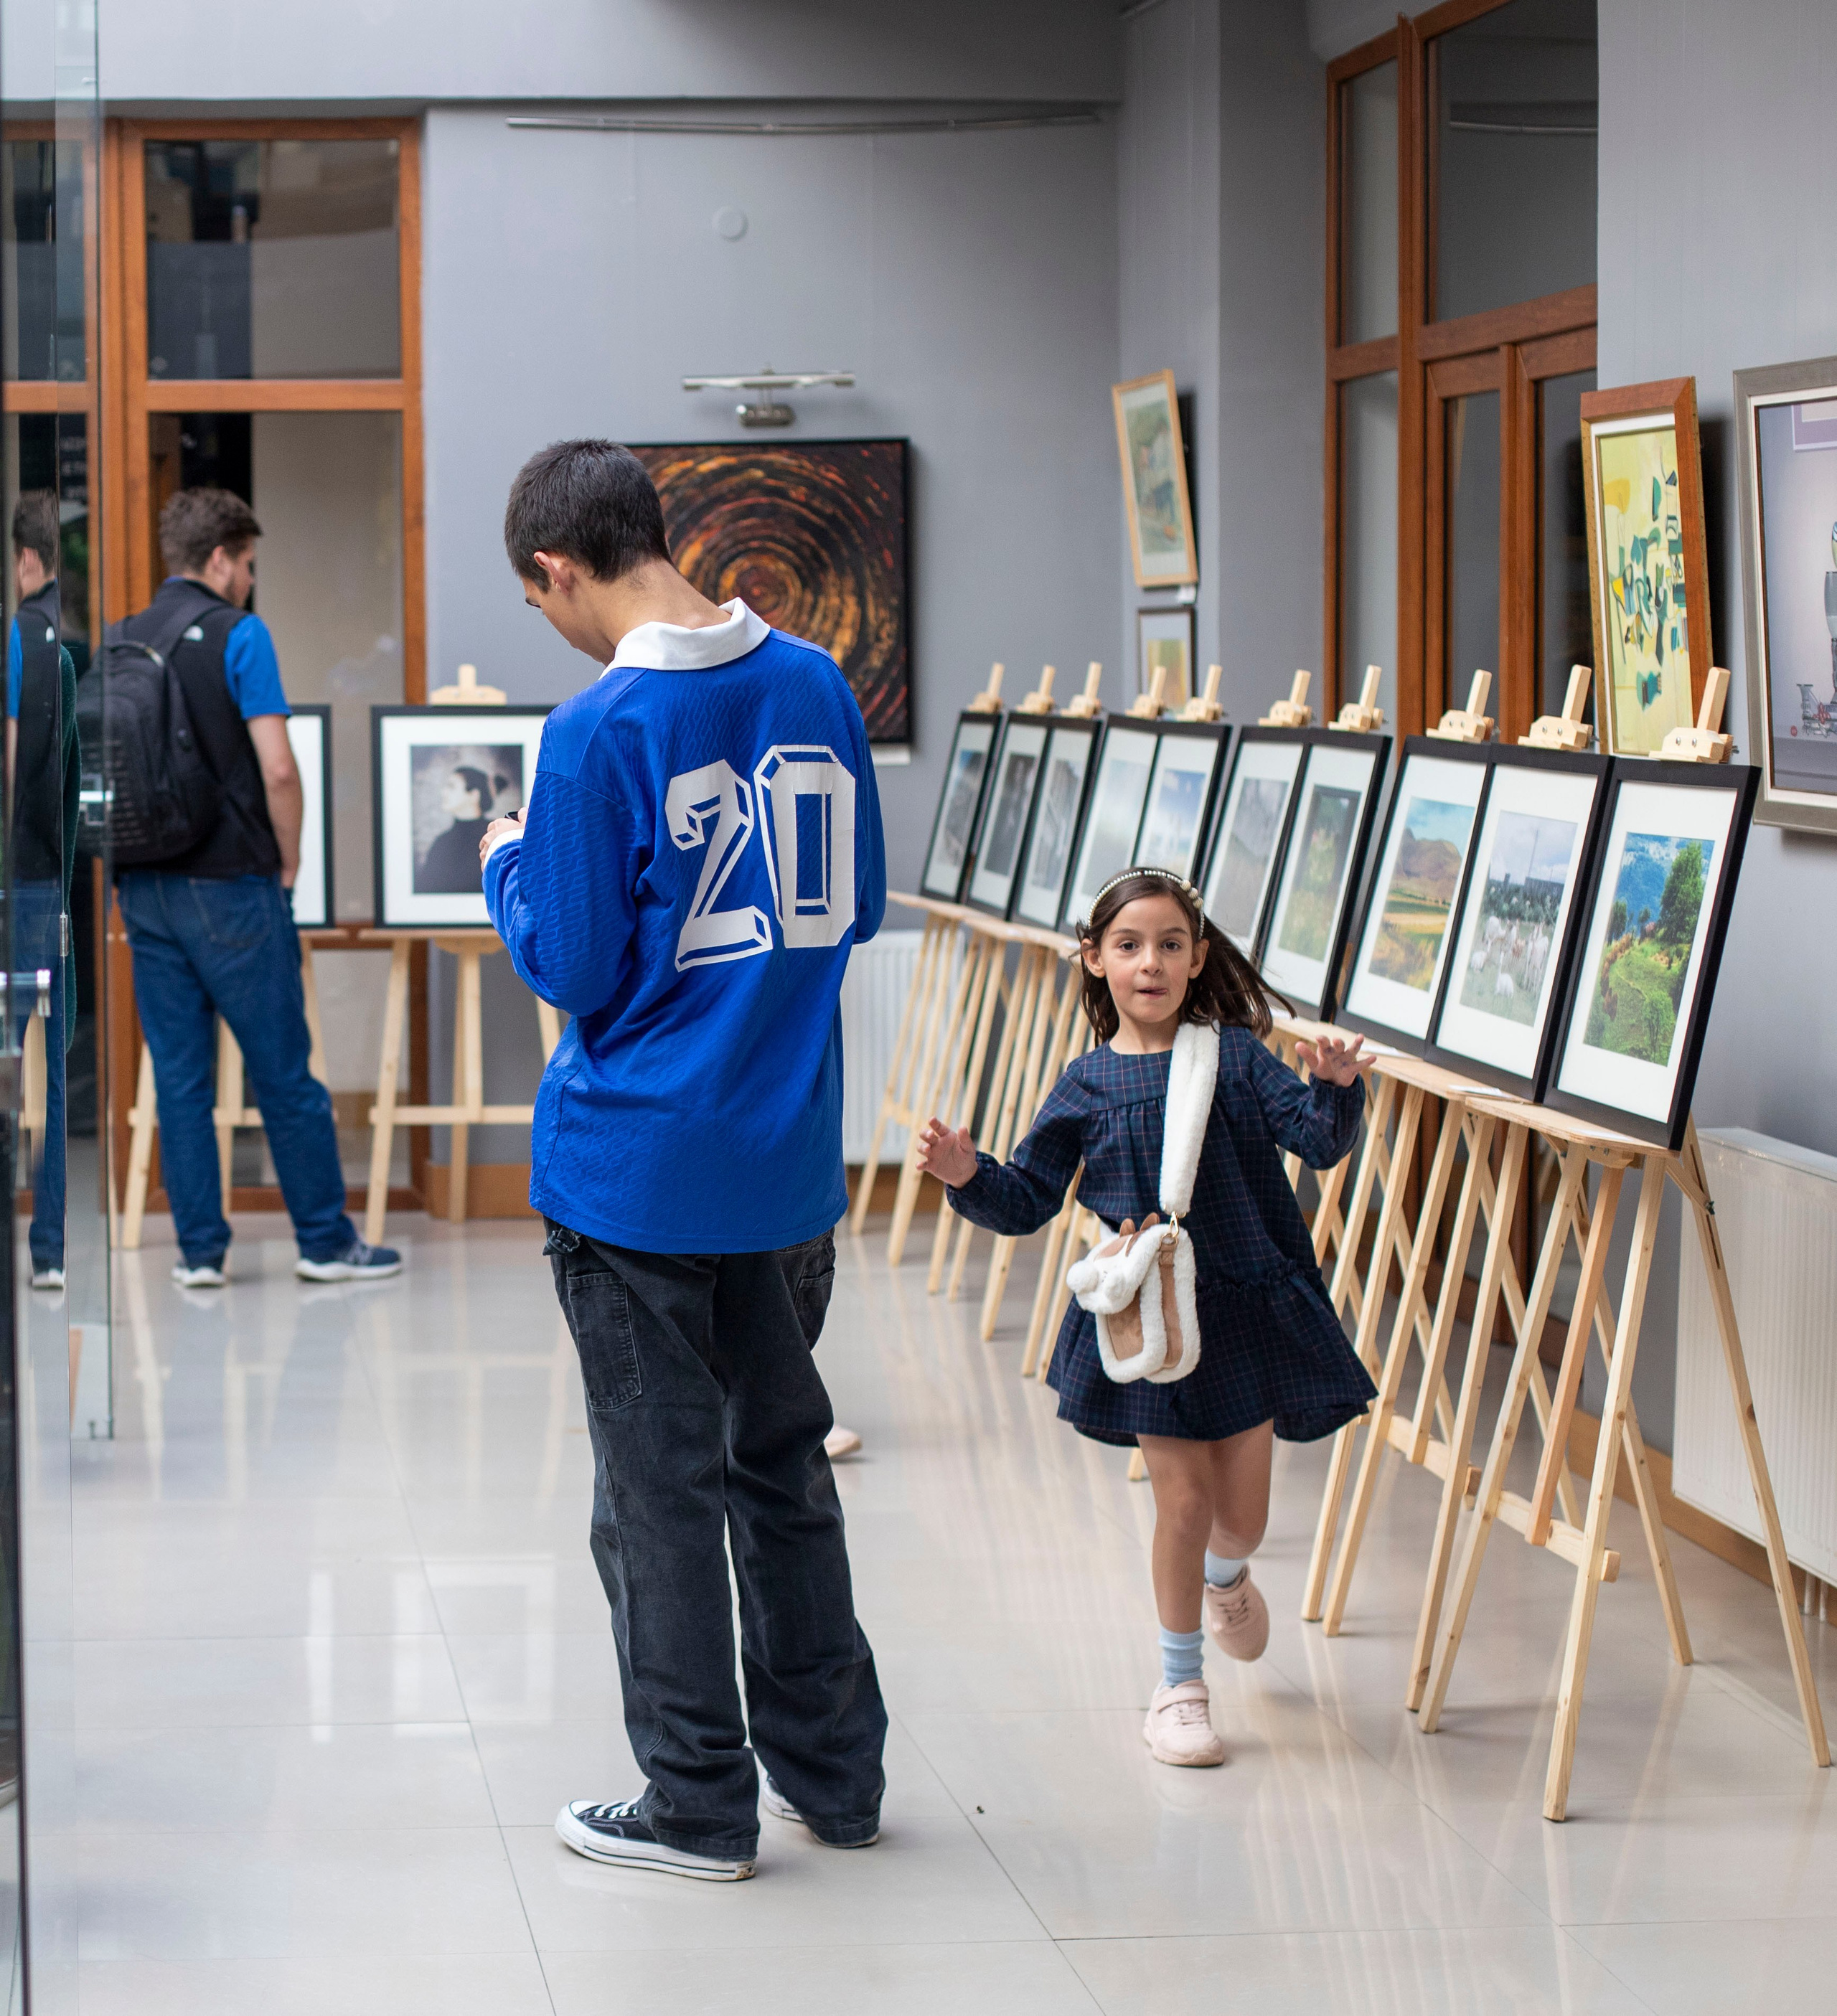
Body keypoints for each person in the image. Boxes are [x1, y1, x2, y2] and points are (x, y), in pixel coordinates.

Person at [481, 439, 887, 1883]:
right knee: (780, 1466)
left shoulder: (595, 731)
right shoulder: (819, 684)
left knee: (654, 1491)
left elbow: (575, 964)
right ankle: (834, 1777)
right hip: (781, 1166)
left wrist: (508, 859)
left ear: (557, 568)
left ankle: (697, 1804)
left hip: (637, 1175)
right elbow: (855, 903)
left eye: (542, 604)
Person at [917, 867, 1376, 1766]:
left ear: (1199, 956)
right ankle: (1178, 1684)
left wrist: (1334, 1088)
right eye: (1127, 946)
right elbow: (1030, 1197)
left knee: (1238, 1517)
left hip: (1238, 1314)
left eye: (1170, 944)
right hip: (1149, 1327)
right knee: (1184, 1499)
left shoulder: (1236, 1057)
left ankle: (1225, 1574)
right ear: (1092, 960)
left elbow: (1318, 1143)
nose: (1150, 962)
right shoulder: (1085, 1083)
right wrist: (968, 1174)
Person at [114, 487, 399, 1286]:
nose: (248, 579)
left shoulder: (121, 639)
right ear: (218, 559)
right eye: (245, 564)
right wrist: (290, 860)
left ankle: (200, 1252)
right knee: (282, 1069)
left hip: (144, 885)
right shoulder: (241, 636)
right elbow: (278, 765)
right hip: (232, 885)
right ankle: (324, 1241)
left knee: (178, 1076)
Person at [6, 492, 80, 1290]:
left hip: (14, 884)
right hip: (47, 890)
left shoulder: (19, 646)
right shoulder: (61, 652)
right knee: (51, 1072)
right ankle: (51, 1248)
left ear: (25, 560)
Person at [418, 765, 506, 893]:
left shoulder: (497, 836)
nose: (444, 792)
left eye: (451, 787)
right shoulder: (441, 843)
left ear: (474, 795)